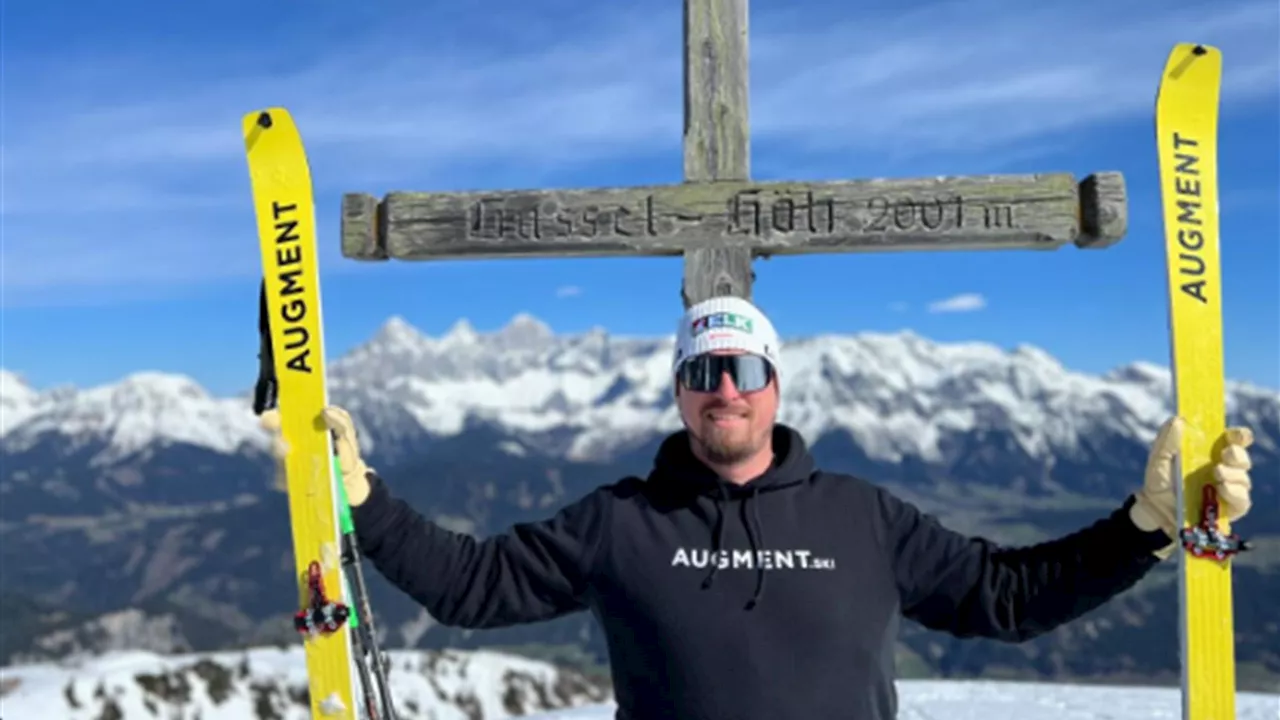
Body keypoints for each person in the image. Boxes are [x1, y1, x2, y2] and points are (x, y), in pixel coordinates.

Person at [260, 296, 1256, 720]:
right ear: (678, 389)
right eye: (700, 370)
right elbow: (474, 588)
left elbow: (1004, 598)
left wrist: (1146, 527)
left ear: (773, 385)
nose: (721, 388)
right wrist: (362, 502)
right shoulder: (620, 520)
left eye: (739, 369)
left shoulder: (862, 517)